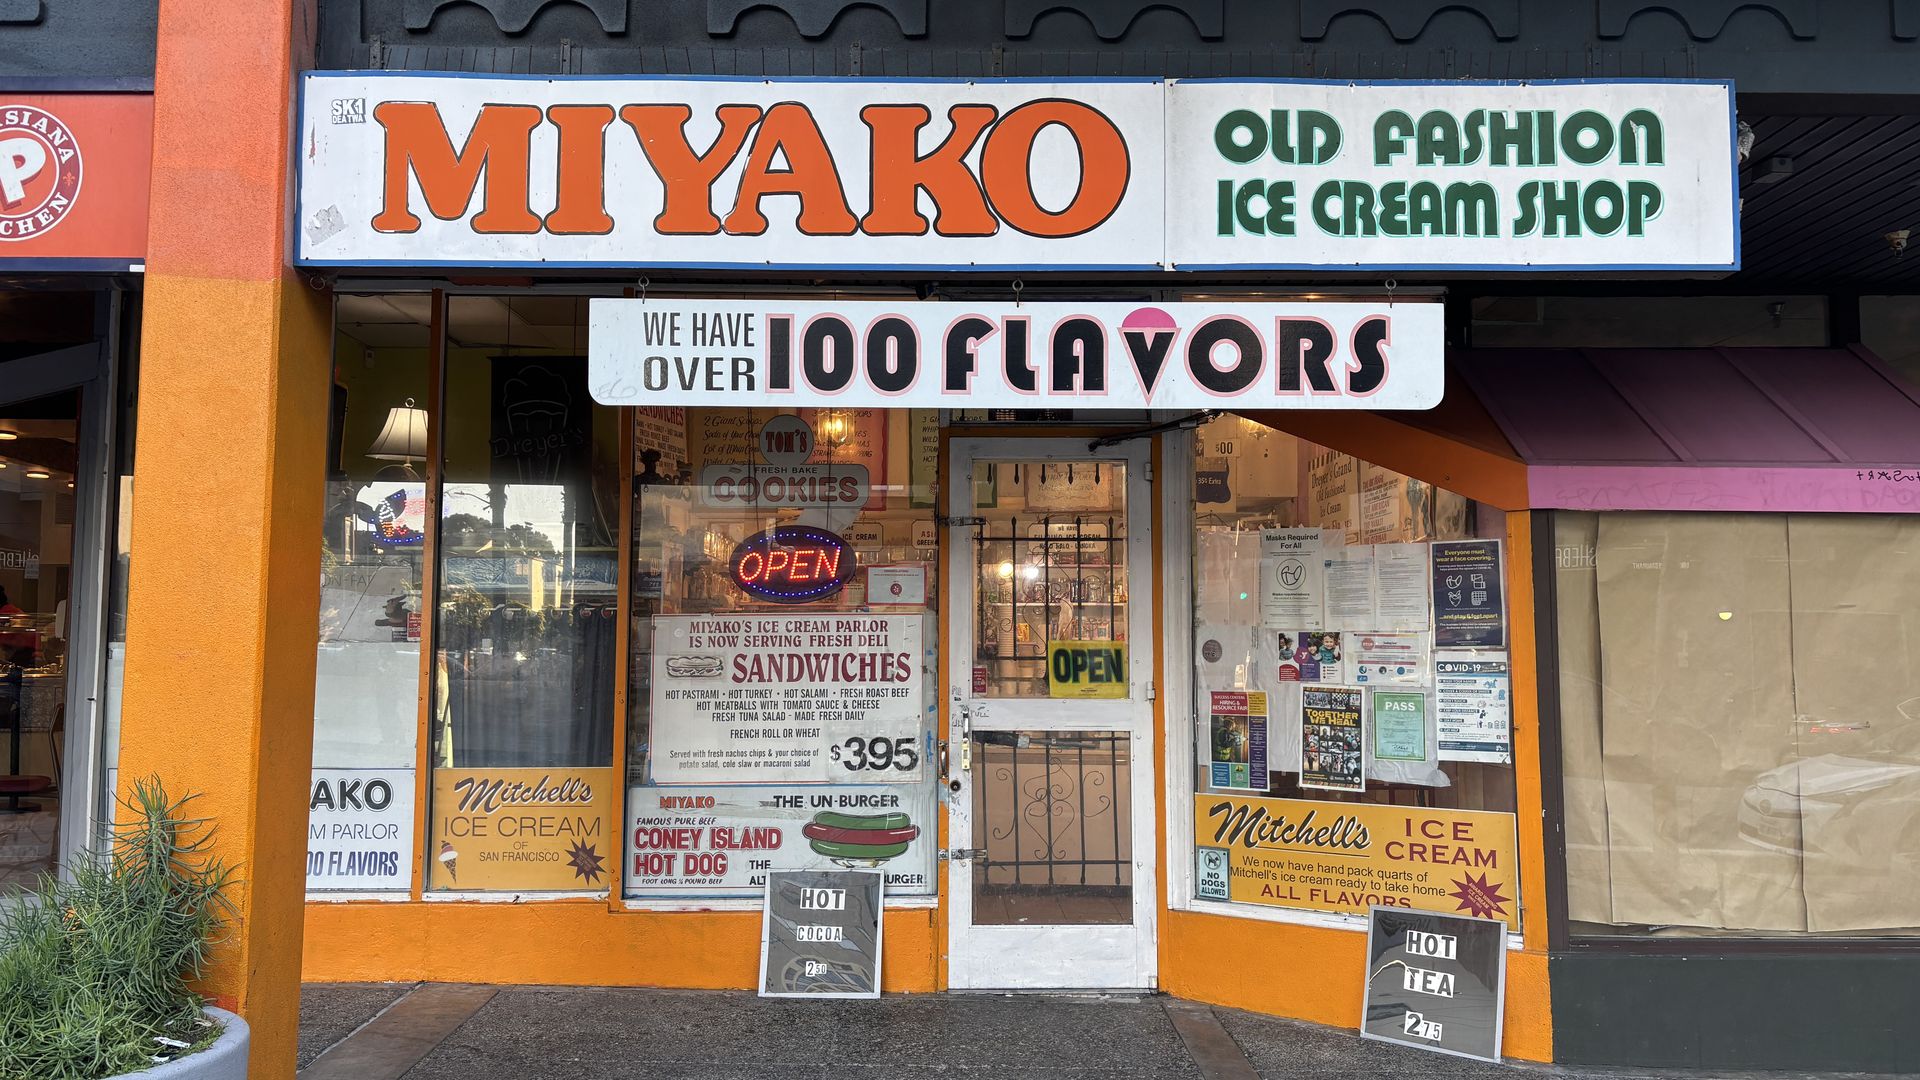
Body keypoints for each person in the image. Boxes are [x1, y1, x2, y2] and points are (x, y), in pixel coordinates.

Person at [0, 586, 34, 665]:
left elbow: (14, 641)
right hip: (22, 652)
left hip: (23, 654)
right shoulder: (10, 610)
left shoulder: (7, 613)